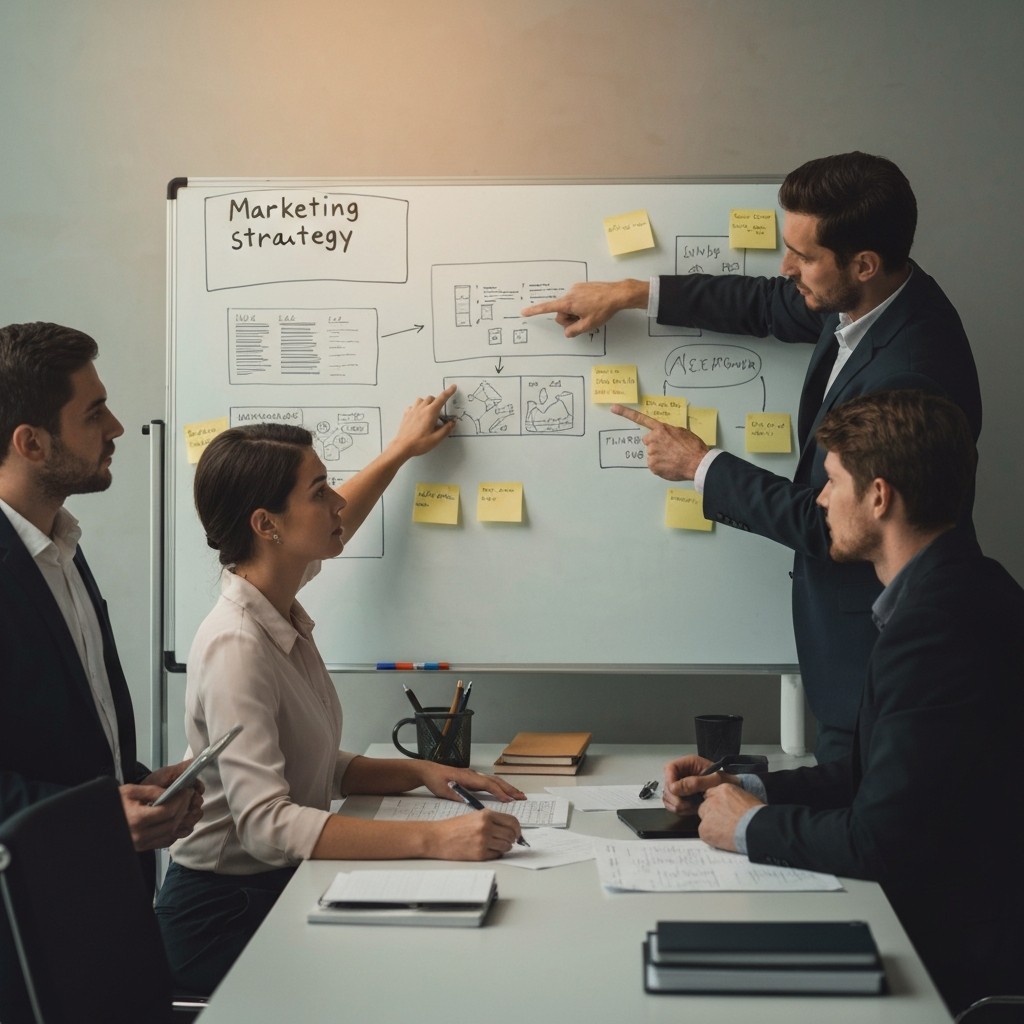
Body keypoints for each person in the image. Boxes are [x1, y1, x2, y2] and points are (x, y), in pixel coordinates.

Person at [523, 153, 982, 762]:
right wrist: (633, 293)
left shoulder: (913, 375)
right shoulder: (875, 299)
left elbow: (837, 526)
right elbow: (768, 304)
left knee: (868, 828)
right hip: (853, 653)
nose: (786, 266)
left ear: (863, 263)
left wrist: (701, 466)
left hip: (875, 657)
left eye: (804, 255)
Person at [661, 390, 1023, 1013]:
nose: (821, 500)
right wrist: (747, 787)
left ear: (879, 496)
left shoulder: (935, 627)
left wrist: (747, 825)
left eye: (831, 481)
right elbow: (873, 780)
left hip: (956, 962)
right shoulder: (958, 589)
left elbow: (881, 841)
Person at [155, 397, 527, 996]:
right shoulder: (238, 646)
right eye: (319, 490)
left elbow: (315, 767)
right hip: (227, 918)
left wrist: (422, 772)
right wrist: (436, 839)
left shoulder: (277, 604)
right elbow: (267, 824)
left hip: (274, 890)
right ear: (266, 525)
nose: (337, 503)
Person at [0, 322, 204, 1024]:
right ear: (31, 442)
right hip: (25, 939)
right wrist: (94, 821)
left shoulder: (61, 545)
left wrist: (138, 787)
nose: (117, 426)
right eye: (93, 412)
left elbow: (68, 729)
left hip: (106, 913)